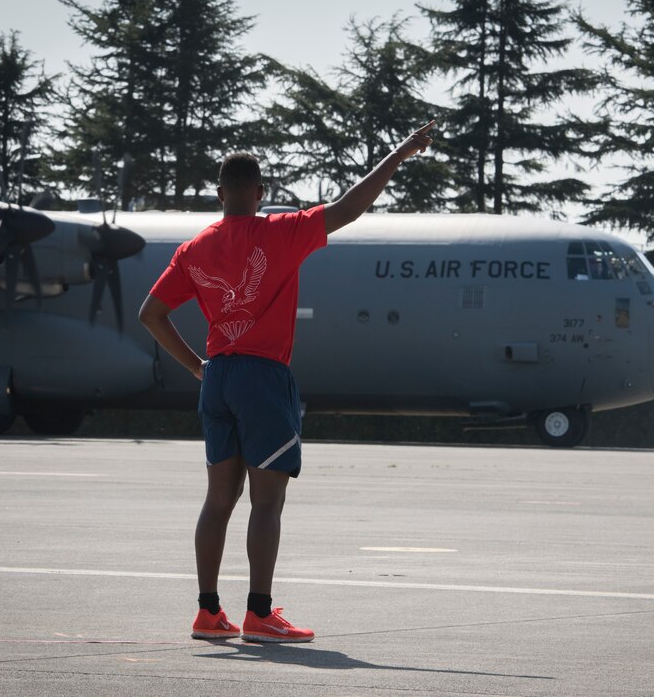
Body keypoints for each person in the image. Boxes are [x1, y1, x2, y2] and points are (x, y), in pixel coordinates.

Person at [138, 120, 435, 643]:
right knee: (266, 503)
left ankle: (208, 614)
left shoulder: (193, 250)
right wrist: (399, 154)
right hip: (262, 377)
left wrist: (196, 367)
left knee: (218, 501)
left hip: (218, 375)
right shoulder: (282, 231)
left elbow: (151, 314)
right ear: (260, 192)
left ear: (219, 194)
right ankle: (259, 613)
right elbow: (349, 207)